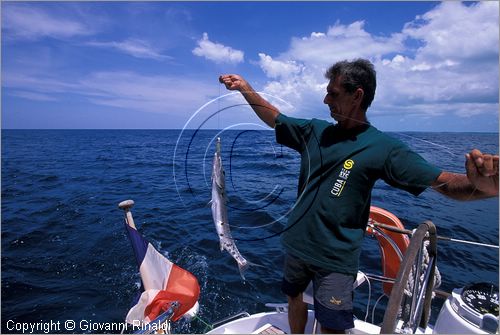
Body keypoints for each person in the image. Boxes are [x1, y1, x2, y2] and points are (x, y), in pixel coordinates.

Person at [219, 58, 499, 334]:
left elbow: (444, 182)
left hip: (335, 259)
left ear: (357, 95)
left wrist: (481, 187)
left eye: (333, 93)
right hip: (296, 245)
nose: (326, 99)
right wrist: (246, 88)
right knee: (294, 298)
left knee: (332, 324)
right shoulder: (314, 131)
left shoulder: (383, 148)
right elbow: (275, 117)